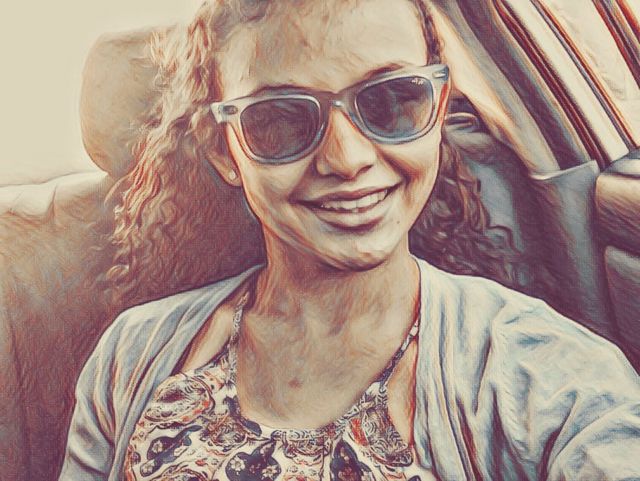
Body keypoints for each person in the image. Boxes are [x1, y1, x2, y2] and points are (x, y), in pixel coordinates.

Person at [59, 0, 640, 480]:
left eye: (391, 101)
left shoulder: (542, 374)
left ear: (437, 109)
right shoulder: (131, 354)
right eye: (281, 119)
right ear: (224, 150)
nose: (347, 158)